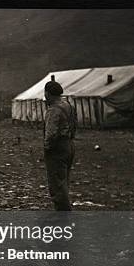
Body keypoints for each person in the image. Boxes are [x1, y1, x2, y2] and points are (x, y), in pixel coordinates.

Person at [43, 80, 76, 211]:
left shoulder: (53, 110)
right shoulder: (68, 106)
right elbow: (74, 125)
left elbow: (50, 133)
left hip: (57, 148)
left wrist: (47, 148)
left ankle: (63, 215)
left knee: (57, 184)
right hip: (69, 144)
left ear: (47, 94)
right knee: (63, 180)